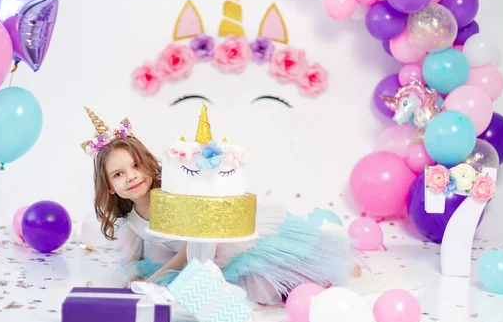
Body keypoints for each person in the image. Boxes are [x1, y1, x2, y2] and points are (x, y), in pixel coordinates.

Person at [82, 106, 361, 305]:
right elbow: (134, 255)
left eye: (135, 166)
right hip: (198, 259)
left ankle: (330, 272)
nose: (130, 176)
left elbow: (192, 246)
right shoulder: (131, 219)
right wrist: (132, 274)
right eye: (118, 174)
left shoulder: (173, 197)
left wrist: (154, 280)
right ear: (109, 186)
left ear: (147, 164)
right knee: (256, 293)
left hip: (221, 243)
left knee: (274, 272)